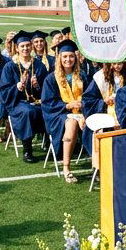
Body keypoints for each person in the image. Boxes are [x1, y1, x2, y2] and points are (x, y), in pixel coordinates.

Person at [40, 40, 88, 182]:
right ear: (59, 58)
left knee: (96, 121)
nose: (68, 59)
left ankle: (97, 167)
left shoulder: (83, 76)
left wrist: (82, 105)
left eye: (71, 56)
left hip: (81, 112)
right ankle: (66, 168)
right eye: (65, 56)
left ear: (76, 58)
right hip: (57, 115)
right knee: (72, 122)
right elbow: (48, 103)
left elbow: (91, 97)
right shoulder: (51, 78)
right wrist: (67, 106)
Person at [0, 31, 47, 161]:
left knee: (50, 110)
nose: (25, 48)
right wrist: (17, 86)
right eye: (22, 46)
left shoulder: (39, 65)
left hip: (37, 101)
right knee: (27, 112)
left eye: (27, 45)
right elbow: (4, 91)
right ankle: (27, 150)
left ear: (31, 46)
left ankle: (51, 145)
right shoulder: (10, 66)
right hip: (17, 103)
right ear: (17, 48)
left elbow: (47, 90)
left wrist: (37, 85)